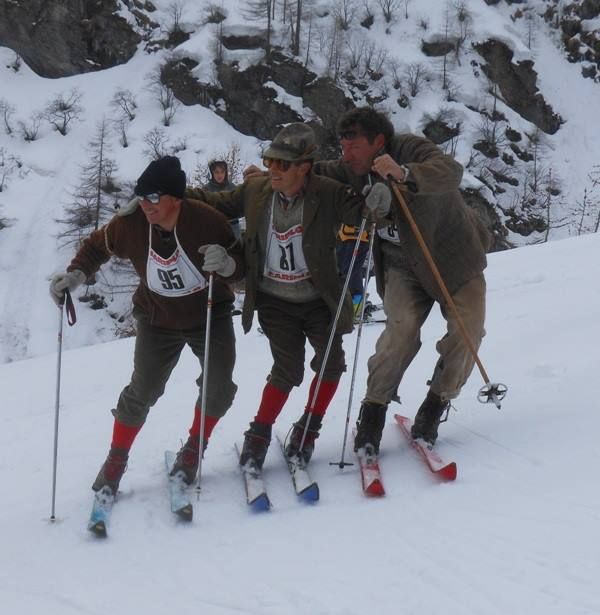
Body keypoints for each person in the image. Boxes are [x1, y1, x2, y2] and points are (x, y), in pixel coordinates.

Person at [188, 123, 390, 471]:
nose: (273, 170)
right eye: (270, 161)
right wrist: (169, 193)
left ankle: (309, 428)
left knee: (332, 364)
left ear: (304, 167)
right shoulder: (257, 190)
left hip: (318, 299)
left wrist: (378, 203)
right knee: (288, 369)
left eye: (283, 164)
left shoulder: (327, 193)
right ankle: (259, 432)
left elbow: (364, 214)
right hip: (274, 301)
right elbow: (215, 202)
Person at [49, 156, 244, 495]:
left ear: (176, 198)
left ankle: (194, 448)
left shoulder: (207, 221)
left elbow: (242, 265)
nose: (146, 205)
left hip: (209, 315)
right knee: (143, 389)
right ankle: (116, 458)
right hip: (157, 318)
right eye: (141, 197)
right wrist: (76, 275)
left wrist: (228, 265)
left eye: (154, 197)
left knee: (219, 387)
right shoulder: (132, 224)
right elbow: (97, 246)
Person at [312, 106, 491, 451]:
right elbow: (312, 174)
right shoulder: (349, 169)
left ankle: (437, 402)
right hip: (400, 264)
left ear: (378, 141)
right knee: (400, 330)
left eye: (354, 147)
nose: (346, 155)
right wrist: (275, 172)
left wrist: (404, 172)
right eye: (343, 147)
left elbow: (450, 171)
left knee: (468, 329)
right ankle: (373, 409)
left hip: (454, 257)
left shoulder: (411, 148)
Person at [203, 159, 242, 240]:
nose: (219, 175)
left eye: (222, 172)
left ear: (225, 172)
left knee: (238, 245)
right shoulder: (206, 189)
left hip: (233, 225)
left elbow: (239, 206)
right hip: (214, 226)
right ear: (212, 173)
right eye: (216, 172)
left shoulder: (232, 187)